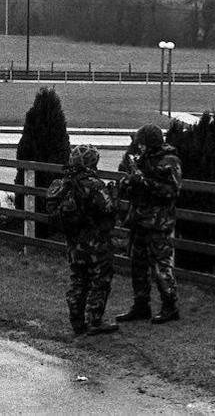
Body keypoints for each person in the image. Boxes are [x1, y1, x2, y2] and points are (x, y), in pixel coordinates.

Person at [46, 144, 119, 336]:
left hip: (73, 243)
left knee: (78, 279)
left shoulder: (64, 183)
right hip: (95, 243)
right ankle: (94, 321)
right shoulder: (93, 184)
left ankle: (77, 321)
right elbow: (109, 208)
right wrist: (114, 195)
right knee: (99, 280)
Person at [114, 124, 183, 325]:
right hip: (140, 220)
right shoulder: (143, 160)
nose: (139, 148)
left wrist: (141, 180)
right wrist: (128, 181)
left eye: (142, 144)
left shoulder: (170, 161)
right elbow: (131, 184)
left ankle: (170, 306)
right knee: (138, 264)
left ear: (150, 143)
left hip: (159, 223)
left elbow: (171, 191)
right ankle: (141, 305)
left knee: (162, 266)